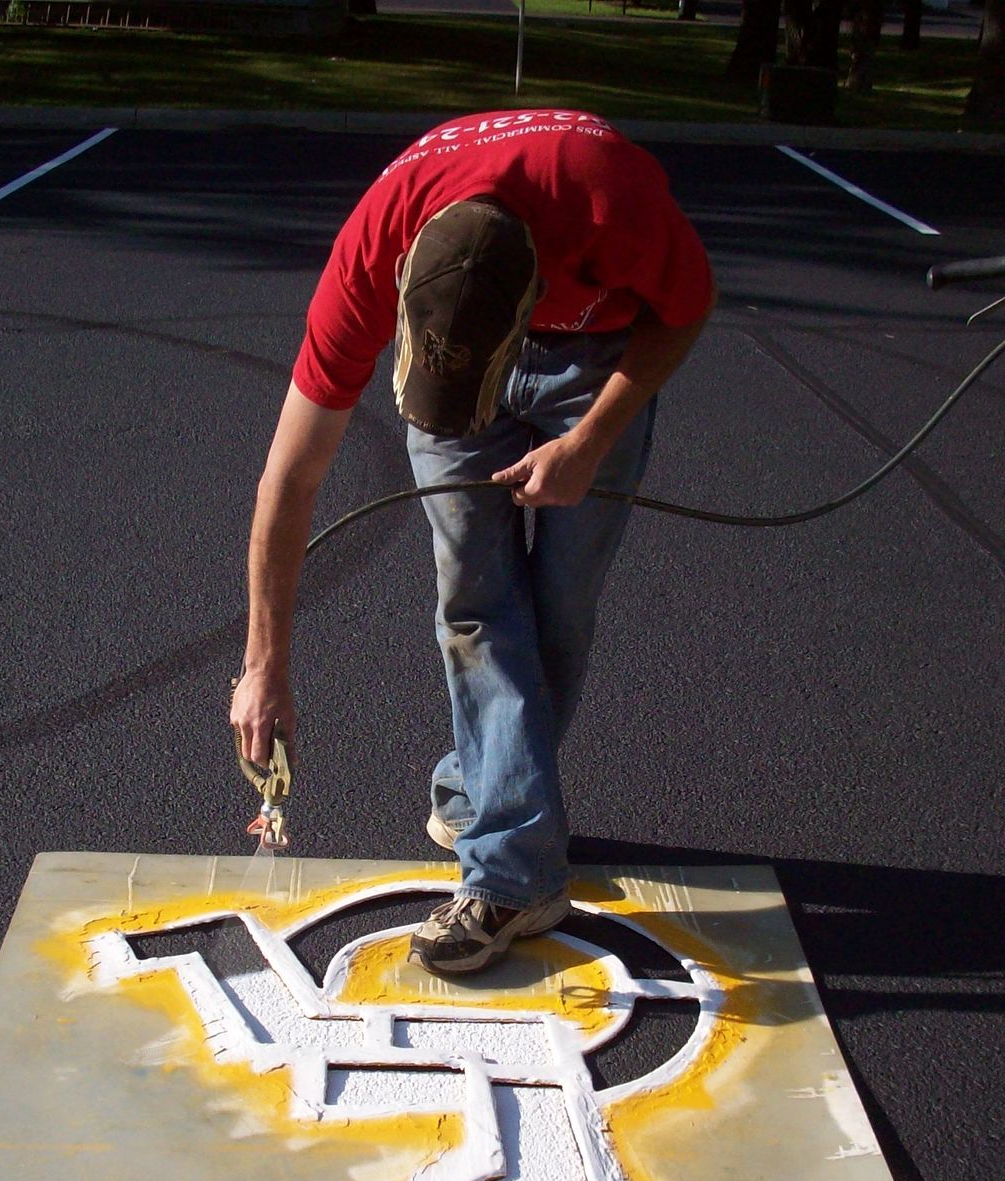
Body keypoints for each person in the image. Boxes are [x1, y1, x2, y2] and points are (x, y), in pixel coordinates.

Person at [229, 109, 715, 976]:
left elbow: (685, 310)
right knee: (477, 606)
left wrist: (590, 442)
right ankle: (513, 872)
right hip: (485, 346)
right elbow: (288, 481)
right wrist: (263, 665)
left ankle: (476, 790)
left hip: (594, 366)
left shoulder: (606, 194)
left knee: (559, 608)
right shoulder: (374, 245)